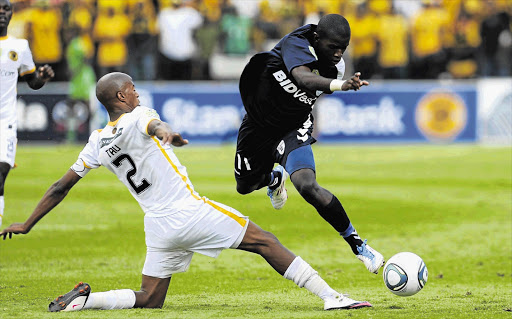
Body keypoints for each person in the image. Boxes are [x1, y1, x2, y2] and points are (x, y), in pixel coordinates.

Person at [0, 72, 372, 312]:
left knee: (150, 299)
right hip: (188, 212)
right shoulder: (139, 114)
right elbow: (154, 124)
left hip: (158, 226)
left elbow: (59, 186)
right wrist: (167, 133)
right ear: (121, 95)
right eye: (131, 86)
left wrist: (28, 223)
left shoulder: (96, 142)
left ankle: (85, 301)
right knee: (265, 241)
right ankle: (331, 297)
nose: (135, 90)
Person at [234, 14, 385, 275]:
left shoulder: (334, 67)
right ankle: (273, 179)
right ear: (316, 39)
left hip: (293, 127)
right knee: (244, 186)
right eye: (333, 47)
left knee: (306, 185)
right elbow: (302, 78)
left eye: (343, 49)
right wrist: (341, 86)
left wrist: (335, 84)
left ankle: (358, 245)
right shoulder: (296, 42)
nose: (338, 55)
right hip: (258, 124)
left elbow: (312, 90)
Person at [0, 0, 54, 228]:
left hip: (5, 122)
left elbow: (32, 81)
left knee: (0, 173)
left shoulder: (19, 46)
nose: (2, 13)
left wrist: (42, 77)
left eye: (6, 8)